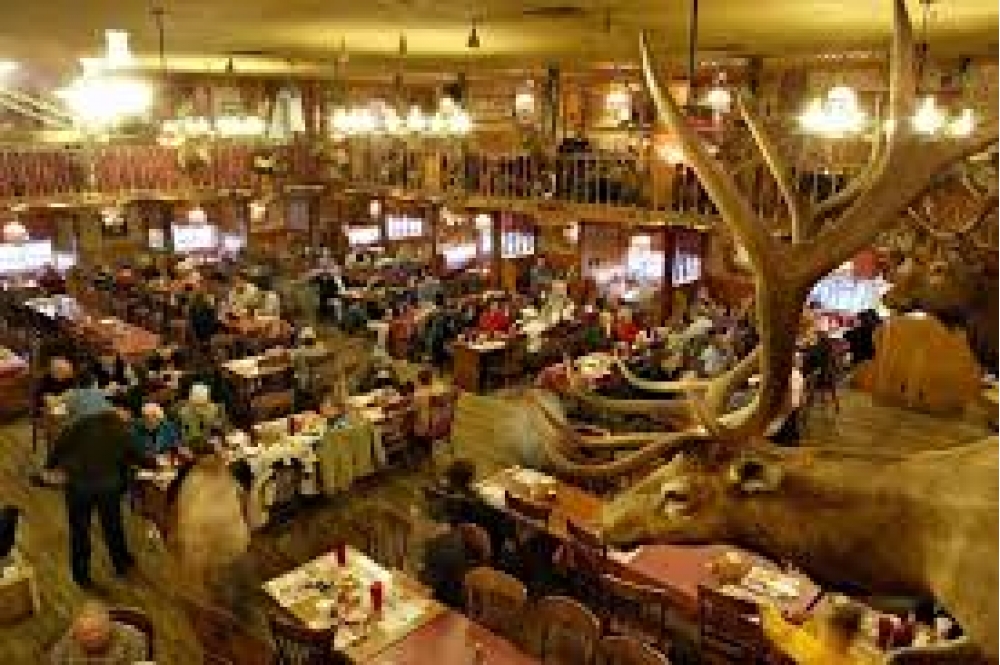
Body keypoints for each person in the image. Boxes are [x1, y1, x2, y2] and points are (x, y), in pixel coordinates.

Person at [45, 389, 136, 586]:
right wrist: (154, 464)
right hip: (108, 487)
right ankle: (121, 563)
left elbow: (58, 448)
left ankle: (81, 575)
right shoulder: (119, 427)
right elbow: (134, 452)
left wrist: (50, 466)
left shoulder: (77, 425)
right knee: (113, 526)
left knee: (80, 531)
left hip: (79, 487)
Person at [763, 593, 880, 664]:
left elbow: (770, 619)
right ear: (854, 635)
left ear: (830, 623)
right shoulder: (858, 661)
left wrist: (788, 619)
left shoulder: (805, 645)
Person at [49, 600, 147, 665]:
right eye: (85, 634)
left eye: (96, 631)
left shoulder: (132, 640)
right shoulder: (65, 647)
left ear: (109, 626)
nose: (92, 638)